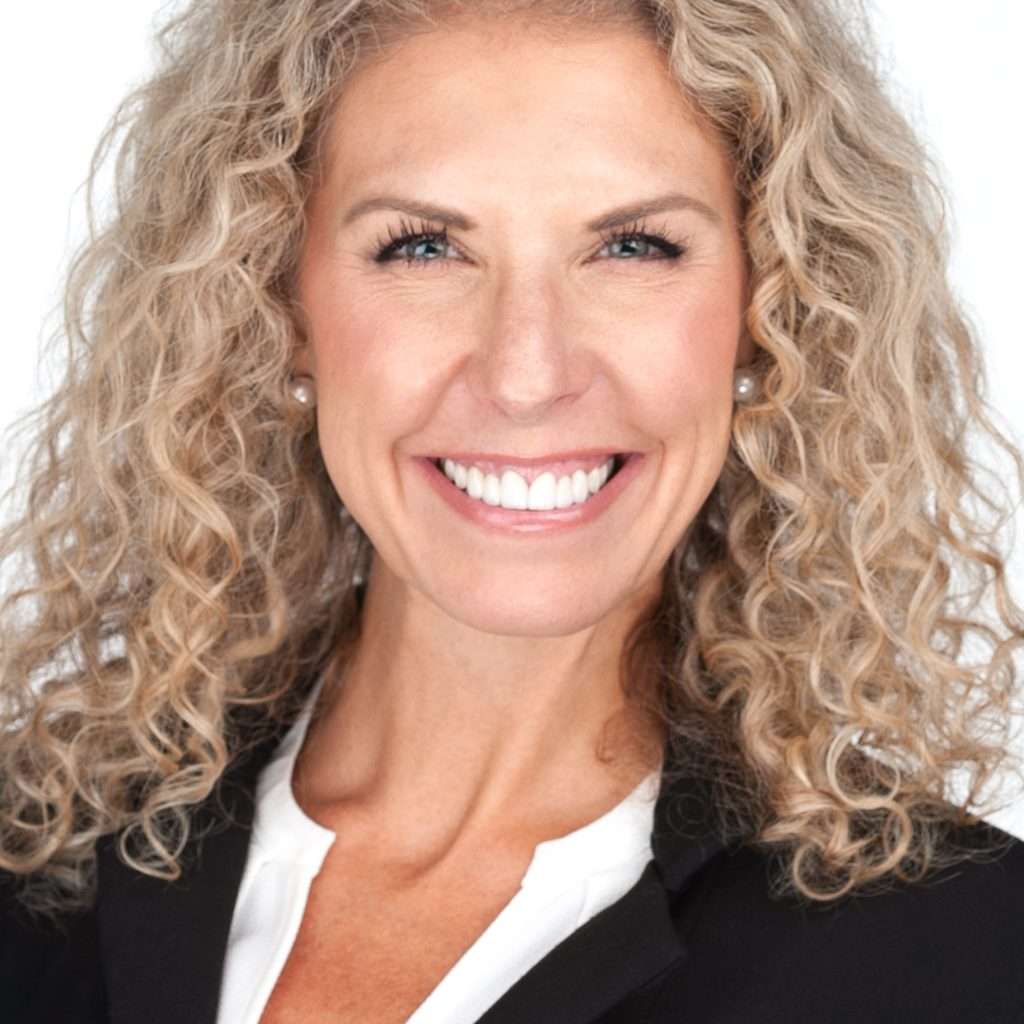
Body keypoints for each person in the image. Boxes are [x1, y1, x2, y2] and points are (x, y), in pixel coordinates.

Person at [2, 0, 1023, 1020]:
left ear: (770, 309)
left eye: (631, 247)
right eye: (421, 249)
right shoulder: (35, 849)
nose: (527, 373)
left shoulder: (968, 952)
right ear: (275, 302)